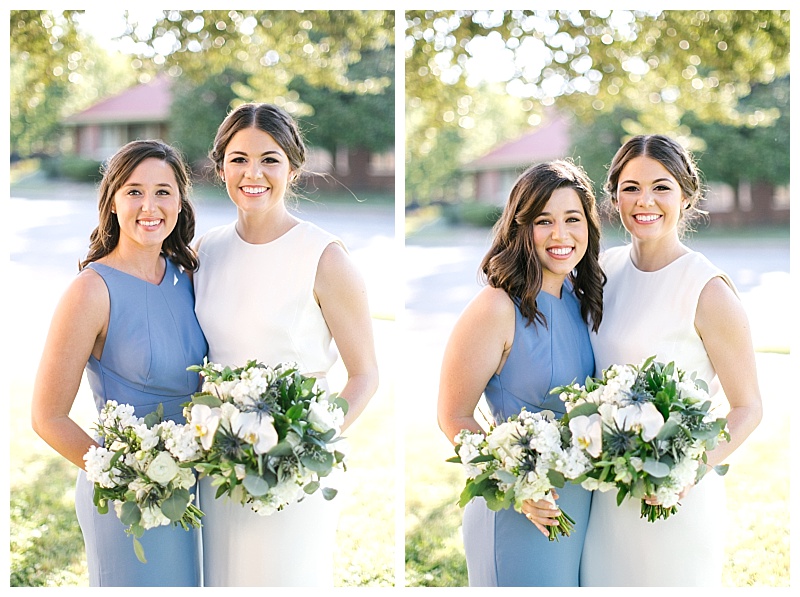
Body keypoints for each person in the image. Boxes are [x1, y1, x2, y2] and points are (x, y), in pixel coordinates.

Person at [193, 102, 379, 587]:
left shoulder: (324, 257)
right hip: (217, 461)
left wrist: (306, 445)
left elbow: (365, 376)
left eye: (270, 159)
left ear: (293, 167)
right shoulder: (203, 252)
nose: (253, 172)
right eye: (238, 159)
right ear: (220, 167)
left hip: (293, 469)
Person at [580, 134, 763, 587]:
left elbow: (748, 408)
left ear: (687, 195)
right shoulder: (602, 272)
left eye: (661, 187)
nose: (645, 201)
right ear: (614, 195)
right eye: (631, 187)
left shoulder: (708, 290)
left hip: (673, 498)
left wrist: (687, 471)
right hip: (602, 497)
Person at [30, 140, 208, 586]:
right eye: (134, 191)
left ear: (180, 201)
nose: (149, 205)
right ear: (112, 202)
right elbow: (47, 417)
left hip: (195, 492)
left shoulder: (188, 278)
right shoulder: (91, 291)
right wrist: (128, 476)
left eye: (163, 191)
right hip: (129, 501)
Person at [437, 160, 605, 586]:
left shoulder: (578, 298)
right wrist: (517, 483)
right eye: (543, 221)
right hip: (517, 510)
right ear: (520, 227)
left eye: (573, 219)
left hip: (577, 505)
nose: (561, 234)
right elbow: (453, 416)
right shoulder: (496, 307)